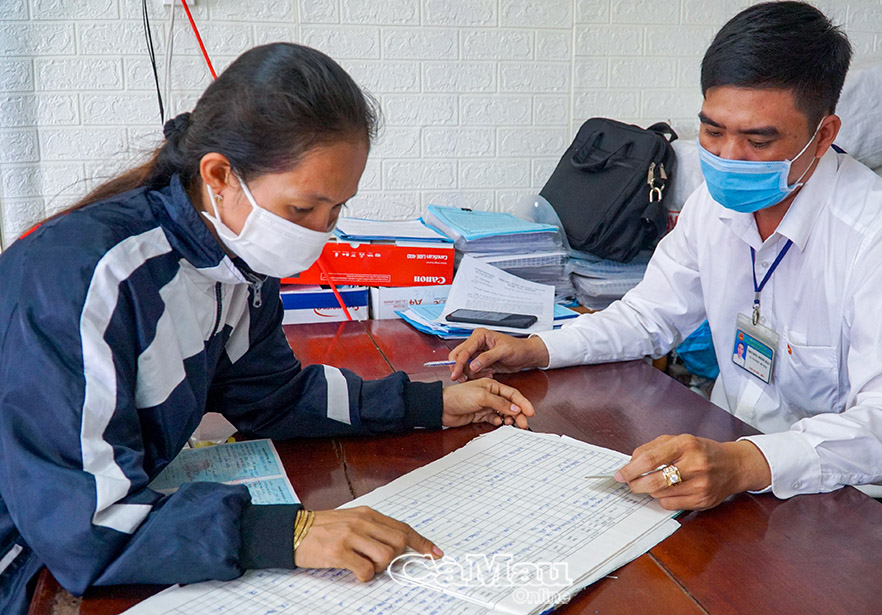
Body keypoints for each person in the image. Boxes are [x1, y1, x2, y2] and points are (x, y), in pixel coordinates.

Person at [0, 43, 534, 615]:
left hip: (113, 521)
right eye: (303, 210)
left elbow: (272, 396)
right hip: (26, 560)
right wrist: (289, 534)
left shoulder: (237, 263)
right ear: (219, 175)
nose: (320, 232)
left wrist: (428, 404)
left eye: (336, 210)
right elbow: (84, 528)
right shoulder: (83, 279)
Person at [449, 2, 882, 531]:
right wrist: (537, 348)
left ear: (823, 135)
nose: (728, 157)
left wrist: (747, 462)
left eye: (758, 141)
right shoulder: (714, 204)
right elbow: (649, 316)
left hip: (857, 504)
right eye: (712, 131)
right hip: (734, 465)